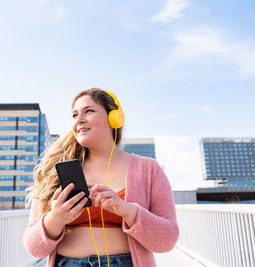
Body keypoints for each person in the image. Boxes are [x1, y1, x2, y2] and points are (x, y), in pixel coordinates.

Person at [23, 88, 179, 267]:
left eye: (89, 111)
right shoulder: (54, 171)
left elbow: (168, 239)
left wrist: (128, 211)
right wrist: (55, 219)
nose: (79, 119)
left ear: (114, 118)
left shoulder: (148, 168)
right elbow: (33, 248)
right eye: (74, 115)